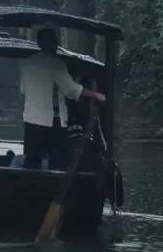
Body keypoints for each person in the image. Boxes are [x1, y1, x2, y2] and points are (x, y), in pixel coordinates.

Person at [20, 27, 105, 169]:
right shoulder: (56, 63)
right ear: (52, 43)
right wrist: (95, 94)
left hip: (30, 120)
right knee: (56, 161)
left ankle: (29, 187)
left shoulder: (27, 64)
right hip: (52, 122)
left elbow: (23, 90)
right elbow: (71, 90)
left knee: (32, 161)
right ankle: (54, 187)